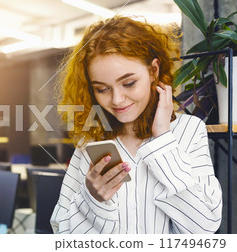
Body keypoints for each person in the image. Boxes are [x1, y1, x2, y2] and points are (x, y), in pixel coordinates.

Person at [50, 16, 222, 234]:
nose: (117, 100)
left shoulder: (189, 131)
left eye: (129, 83)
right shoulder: (92, 141)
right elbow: (61, 231)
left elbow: (205, 226)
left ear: (153, 71)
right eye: (102, 89)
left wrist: (162, 141)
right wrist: (91, 199)